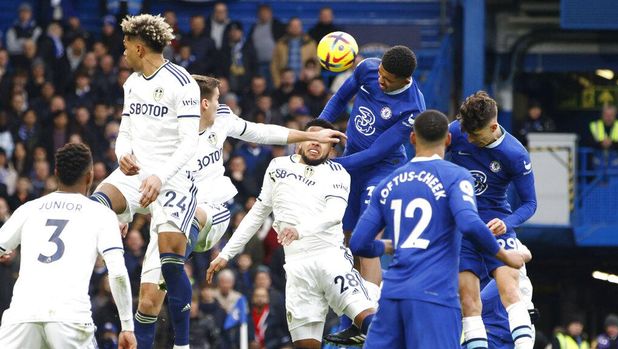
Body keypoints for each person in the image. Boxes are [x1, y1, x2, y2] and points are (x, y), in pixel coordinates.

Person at [131, 75, 345, 349]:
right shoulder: (163, 130)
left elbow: (261, 132)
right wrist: (125, 215)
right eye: (218, 99)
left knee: (188, 221)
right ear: (203, 103)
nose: (223, 103)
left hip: (212, 206)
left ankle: (182, 345)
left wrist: (309, 135)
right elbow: (138, 174)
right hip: (168, 212)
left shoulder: (222, 118)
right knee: (148, 300)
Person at [342, 110, 523, 348]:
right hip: (435, 295)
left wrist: (388, 246)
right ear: (448, 139)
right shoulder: (456, 176)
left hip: (392, 296)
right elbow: (470, 224)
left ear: (412, 138)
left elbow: (358, 243)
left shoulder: (388, 184)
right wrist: (503, 255)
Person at [207, 119, 377, 349]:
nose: (315, 144)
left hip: (330, 258)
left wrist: (300, 230)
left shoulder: (338, 173)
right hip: (297, 269)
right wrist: (226, 254)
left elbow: (335, 214)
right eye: (310, 138)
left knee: (369, 321)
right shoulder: (278, 167)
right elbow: (257, 213)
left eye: (322, 141)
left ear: (331, 149)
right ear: (298, 143)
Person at [89, 14, 200, 349]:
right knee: (96, 205)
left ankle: (182, 345)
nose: (122, 53)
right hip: (136, 174)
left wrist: (160, 175)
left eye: (125, 47)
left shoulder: (183, 83)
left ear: (139, 47)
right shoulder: (132, 82)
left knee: (155, 291)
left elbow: (189, 142)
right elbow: (125, 132)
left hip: (174, 179)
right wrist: (122, 153)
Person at [318, 45, 425, 340]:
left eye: (387, 78)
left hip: (382, 170)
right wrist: (318, 129)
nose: (380, 80)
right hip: (352, 162)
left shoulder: (412, 108)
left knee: (366, 241)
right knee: (350, 241)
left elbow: (376, 153)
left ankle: (373, 321)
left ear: (404, 80)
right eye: (380, 73)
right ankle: (356, 318)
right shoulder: (368, 68)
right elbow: (339, 98)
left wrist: (330, 165)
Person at [0, 143, 136, 349]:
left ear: (56, 173)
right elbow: (117, 273)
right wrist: (127, 326)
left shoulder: (29, 209)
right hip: (69, 317)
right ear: (90, 176)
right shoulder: (101, 214)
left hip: (22, 316)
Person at [449, 91, 537, 349]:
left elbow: (530, 204)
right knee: (468, 301)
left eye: (475, 135)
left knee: (511, 291)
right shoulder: (457, 131)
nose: (468, 139)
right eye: (465, 133)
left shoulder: (515, 153)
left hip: (497, 227)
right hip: (464, 228)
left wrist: (507, 223)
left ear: (493, 127)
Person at [477, 241, 539, 349]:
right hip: (491, 323)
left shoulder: (507, 239)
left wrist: (507, 255)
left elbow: (527, 254)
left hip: (516, 319)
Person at [270, 17, 319, 87]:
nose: (295, 28)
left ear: (301, 27)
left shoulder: (310, 43)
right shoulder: (280, 44)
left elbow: (317, 63)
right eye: (293, 26)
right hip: (285, 83)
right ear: (288, 27)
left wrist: (313, 81)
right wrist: (277, 82)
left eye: (297, 26)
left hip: (305, 82)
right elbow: (274, 65)